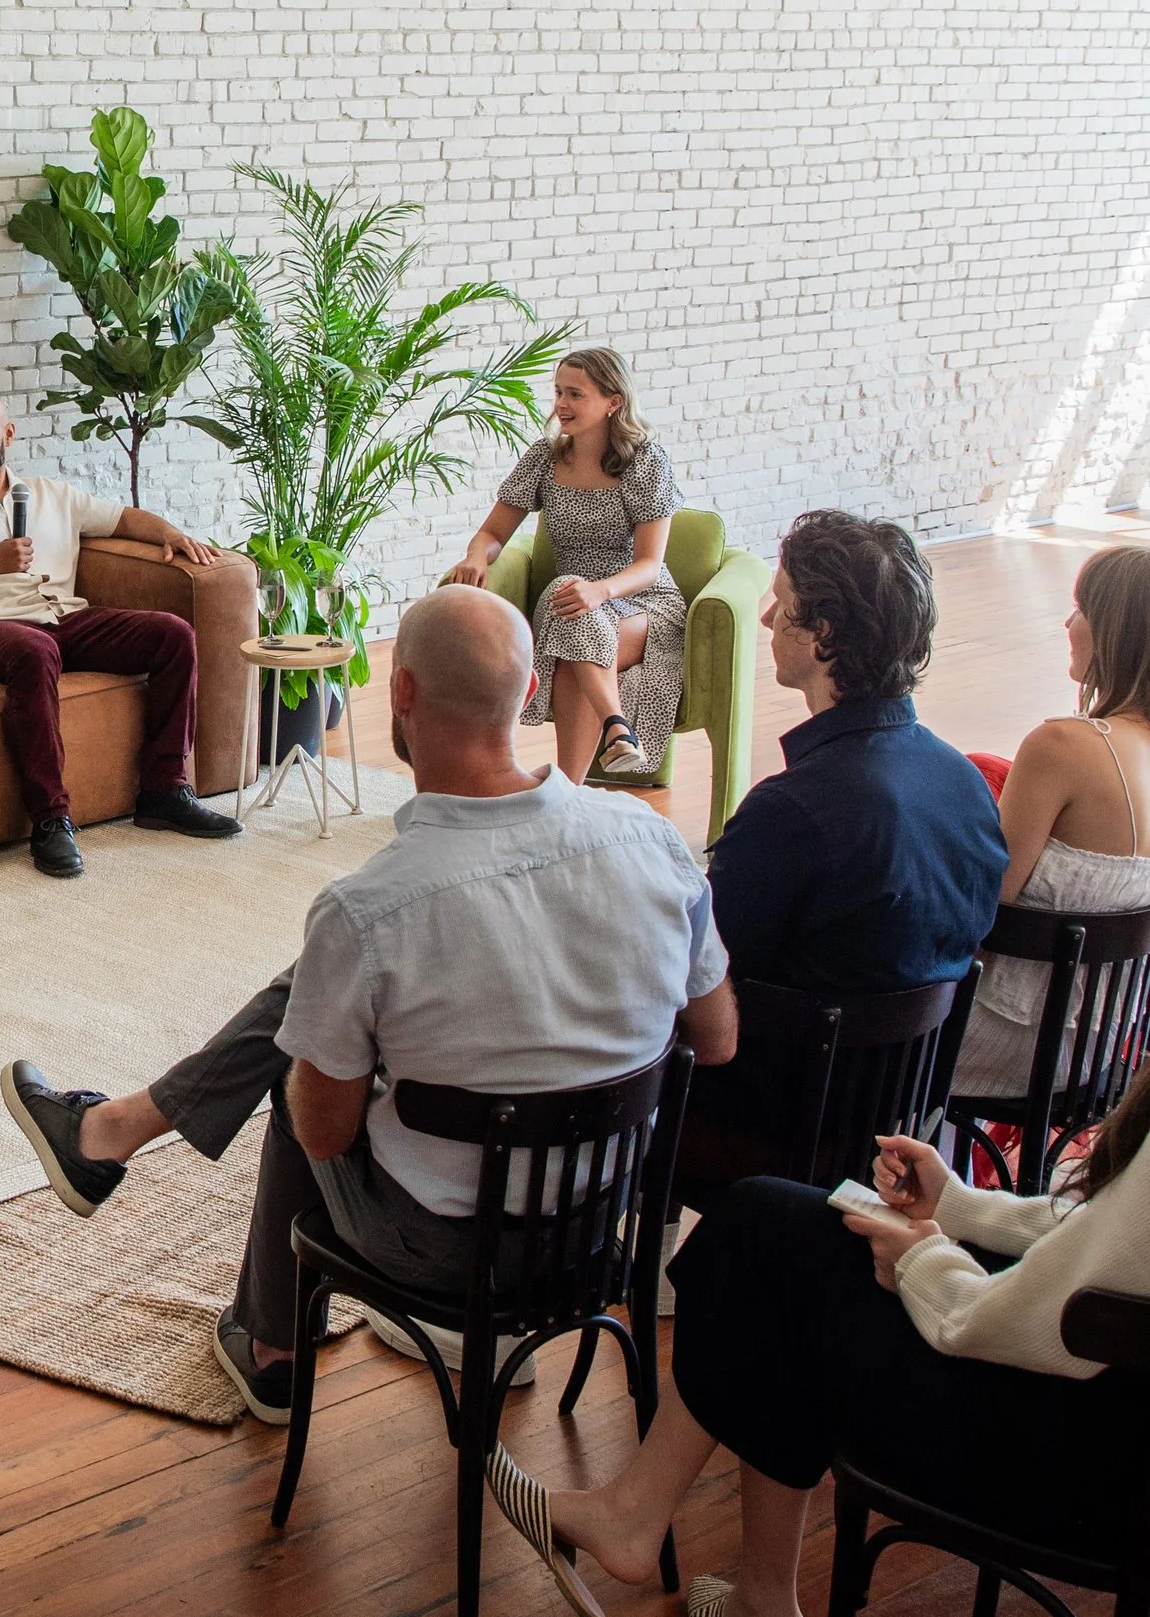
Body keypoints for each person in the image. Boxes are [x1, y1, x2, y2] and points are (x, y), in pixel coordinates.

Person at [0, 584, 736, 1427]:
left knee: (300, 1063)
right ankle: (115, 1132)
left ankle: (270, 1350)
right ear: (531, 694)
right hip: (598, 1226)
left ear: (404, 692)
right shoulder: (648, 839)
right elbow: (713, 1039)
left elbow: (325, 1136)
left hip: (444, 1251)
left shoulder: (371, 907)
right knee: (329, 991)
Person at [491, 1060, 1150, 1617]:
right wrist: (958, 1209)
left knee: (764, 1237)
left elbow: (1035, 1322)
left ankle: (661, 1535)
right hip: (1106, 1441)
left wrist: (921, 1260)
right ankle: (729, 1582)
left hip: (1079, 1472)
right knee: (778, 1234)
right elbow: (1109, 1241)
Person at [681, 510, 1008, 1187]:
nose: (767, 619)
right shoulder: (964, 784)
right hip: (905, 1121)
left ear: (823, 633)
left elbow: (699, 971)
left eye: (783, 604)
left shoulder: (792, 813)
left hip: (778, 1131)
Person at [0, 388, 241, 878]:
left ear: (8, 434)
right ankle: (52, 821)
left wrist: (170, 534)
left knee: (173, 634)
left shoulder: (51, 496)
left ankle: (164, 790)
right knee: (34, 652)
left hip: (64, 619)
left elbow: (121, 518)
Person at [952, 543, 1150, 1108]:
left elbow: (984, 906)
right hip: (1105, 1048)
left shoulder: (1062, 745)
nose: (1068, 622)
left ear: (1116, 630)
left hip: (1009, 1039)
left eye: (1080, 607)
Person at [446, 347, 682, 781]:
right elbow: (493, 533)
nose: (561, 405)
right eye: (558, 392)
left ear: (614, 401)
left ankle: (572, 785)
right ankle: (615, 735)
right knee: (573, 607)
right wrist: (477, 555)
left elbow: (650, 564)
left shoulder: (646, 462)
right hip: (570, 603)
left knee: (574, 606)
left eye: (575, 394)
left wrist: (600, 590)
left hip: (641, 602)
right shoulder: (544, 458)